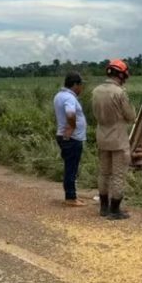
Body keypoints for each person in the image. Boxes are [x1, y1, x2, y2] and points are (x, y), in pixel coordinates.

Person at [91, 58, 136, 220]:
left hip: (102, 136)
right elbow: (131, 116)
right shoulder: (119, 93)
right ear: (121, 75)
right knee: (118, 175)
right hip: (118, 139)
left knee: (104, 173)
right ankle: (115, 210)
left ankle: (103, 207)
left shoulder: (96, 91)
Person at [54, 72, 88, 206]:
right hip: (72, 138)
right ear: (75, 85)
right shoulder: (69, 98)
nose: (81, 88)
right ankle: (71, 197)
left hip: (65, 136)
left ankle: (71, 195)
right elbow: (70, 113)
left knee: (70, 166)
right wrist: (71, 127)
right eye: (80, 85)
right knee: (71, 168)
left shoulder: (59, 95)